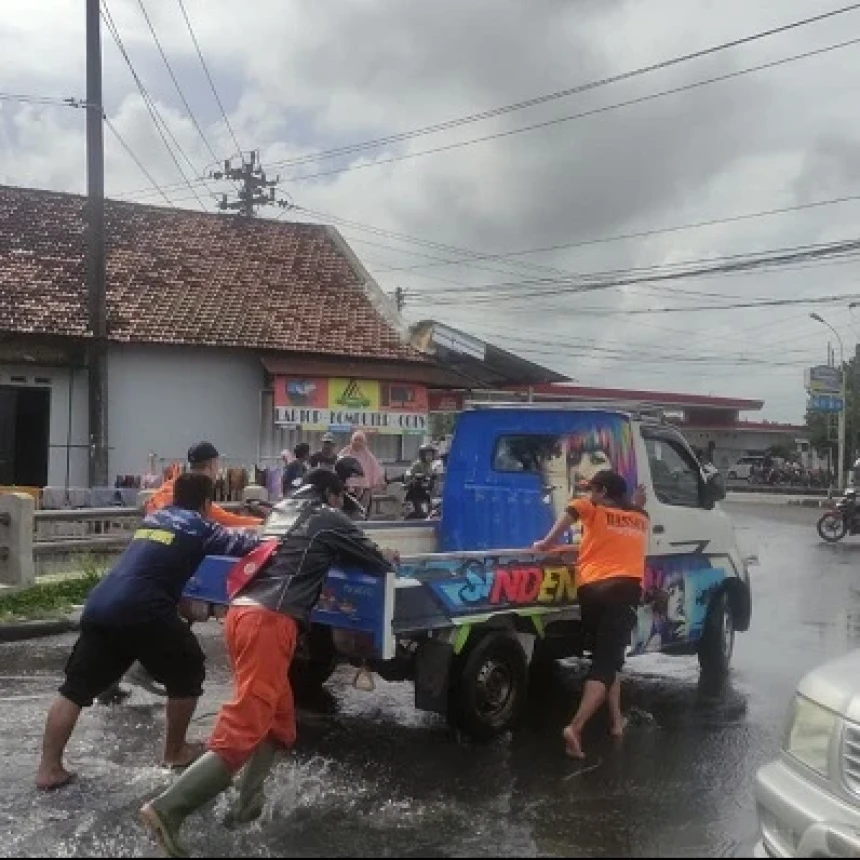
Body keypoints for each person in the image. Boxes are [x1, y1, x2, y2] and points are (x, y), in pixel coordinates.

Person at [140, 469, 396, 857]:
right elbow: (377, 561)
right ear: (330, 493)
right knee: (248, 721)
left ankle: (246, 807)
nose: (342, 502)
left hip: (241, 613)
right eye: (341, 496)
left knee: (278, 721)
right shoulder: (328, 517)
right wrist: (388, 556)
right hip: (270, 621)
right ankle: (168, 809)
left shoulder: (278, 513)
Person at [35, 474, 261, 791]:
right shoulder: (201, 526)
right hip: (144, 609)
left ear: (175, 495)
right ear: (207, 503)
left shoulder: (154, 520)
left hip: (101, 604)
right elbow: (252, 547)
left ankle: (49, 769)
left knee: (74, 689)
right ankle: (175, 752)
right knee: (188, 667)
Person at [533, 469, 648, 760]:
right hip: (622, 592)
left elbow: (574, 512)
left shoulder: (592, 510)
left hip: (591, 592)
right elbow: (621, 529)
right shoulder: (640, 519)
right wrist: (636, 502)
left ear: (606, 493)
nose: (589, 495)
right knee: (606, 662)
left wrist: (547, 543)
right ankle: (575, 727)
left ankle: (615, 721)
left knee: (607, 658)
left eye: (594, 489)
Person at [146, 442, 263, 528]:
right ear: (212, 465)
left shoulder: (170, 485)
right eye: (217, 464)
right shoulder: (197, 492)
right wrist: (263, 523)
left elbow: (149, 504)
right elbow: (225, 519)